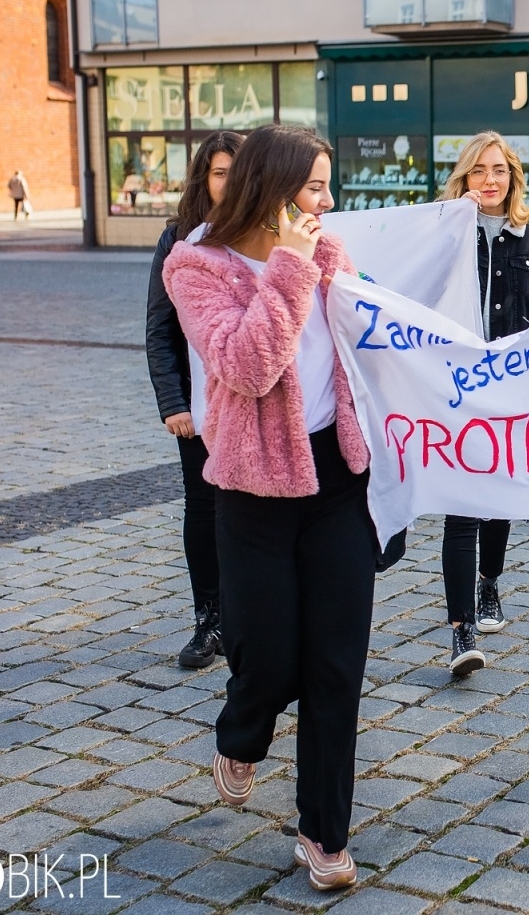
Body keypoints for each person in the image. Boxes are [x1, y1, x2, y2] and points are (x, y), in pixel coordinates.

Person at [164, 124, 373, 891]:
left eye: (326, 186)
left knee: (335, 666)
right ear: (277, 188)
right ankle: (242, 732)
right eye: (315, 186)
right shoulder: (197, 264)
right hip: (253, 490)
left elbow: (365, 343)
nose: (327, 201)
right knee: (270, 658)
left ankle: (323, 835)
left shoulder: (329, 247)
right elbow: (248, 368)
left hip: (338, 482)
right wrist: (289, 264)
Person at [434, 131, 529, 677]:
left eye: (499, 170)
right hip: (456, 385)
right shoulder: (442, 235)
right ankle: (460, 632)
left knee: (498, 496)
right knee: (462, 505)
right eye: (479, 170)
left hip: (510, 385)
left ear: (513, 179)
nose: (489, 180)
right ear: (464, 177)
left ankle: (490, 584)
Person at [146, 129, 243, 670]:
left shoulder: (265, 230)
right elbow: (160, 329)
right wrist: (173, 402)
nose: (229, 182)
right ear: (204, 179)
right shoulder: (178, 239)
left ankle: (247, 615)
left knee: (252, 511)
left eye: (237, 171)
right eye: (220, 172)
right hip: (199, 407)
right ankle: (210, 618)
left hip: (253, 400)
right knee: (203, 509)